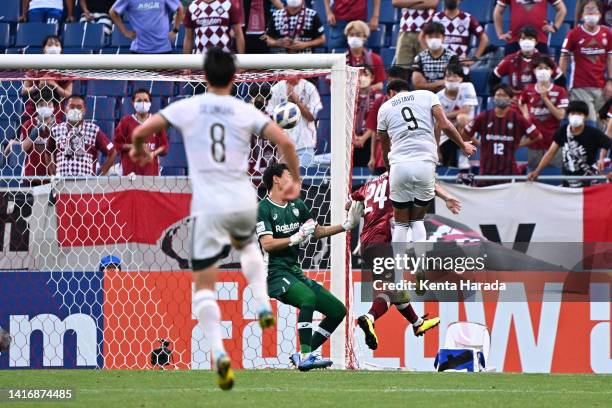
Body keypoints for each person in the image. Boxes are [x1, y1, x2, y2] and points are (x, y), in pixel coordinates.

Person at [129, 48, 301, 391]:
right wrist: (293, 181)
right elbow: (285, 141)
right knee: (249, 244)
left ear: (203, 76)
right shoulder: (243, 109)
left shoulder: (187, 107)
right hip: (240, 195)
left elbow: (142, 131)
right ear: (235, 77)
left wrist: (136, 149)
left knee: (204, 285)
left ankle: (220, 354)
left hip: (207, 204)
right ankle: (262, 301)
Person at [257, 163, 361, 370]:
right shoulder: (263, 209)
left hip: (295, 272)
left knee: (337, 310)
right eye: (288, 176)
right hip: (275, 274)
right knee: (308, 298)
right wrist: (294, 238)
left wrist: (346, 226)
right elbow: (267, 244)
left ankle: (303, 355)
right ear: (276, 179)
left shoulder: (297, 205)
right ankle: (306, 356)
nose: (293, 180)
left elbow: (317, 231)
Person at [377, 79, 475, 280]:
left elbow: (384, 145)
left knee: (402, 222)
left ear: (391, 92)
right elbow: (444, 124)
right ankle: (420, 266)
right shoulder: (428, 96)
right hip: (425, 162)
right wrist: (462, 145)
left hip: (400, 164)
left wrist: (390, 170)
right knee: (417, 219)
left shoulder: (385, 108)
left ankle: (397, 275)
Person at [352, 172, 460, 350]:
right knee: (391, 290)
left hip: (366, 243)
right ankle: (369, 318)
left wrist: (354, 216)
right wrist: (447, 197)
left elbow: (350, 202)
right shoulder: (400, 175)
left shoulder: (369, 184)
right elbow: (427, 182)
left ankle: (417, 323)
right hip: (385, 240)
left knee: (397, 288)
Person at [463, 84, 542, 183]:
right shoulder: (484, 117)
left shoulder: (517, 118)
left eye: (504, 95)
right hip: (486, 172)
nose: (501, 98)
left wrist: (519, 144)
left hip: (509, 172)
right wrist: (478, 143)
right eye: (498, 95)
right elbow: (465, 133)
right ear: (493, 97)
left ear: (511, 98)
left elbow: (537, 136)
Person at [528, 100, 611, 187]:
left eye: (579, 113)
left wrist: (603, 161)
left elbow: (608, 145)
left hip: (588, 183)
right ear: (568, 116)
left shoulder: (593, 133)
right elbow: (550, 153)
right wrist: (537, 171)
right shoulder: (563, 131)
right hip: (568, 183)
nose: (576, 116)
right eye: (573, 113)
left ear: (585, 117)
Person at [560, 0, 612, 123]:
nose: (591, 12)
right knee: (590, 121)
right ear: (582, 15)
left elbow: (610, 58)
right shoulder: (573, 34)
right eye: (588, 9)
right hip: (580, 87)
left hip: (601, 87)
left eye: (594, 9)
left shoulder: (606, 34)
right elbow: (564, 56)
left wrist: (610, 81)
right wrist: (561, 80)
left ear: (600, 14)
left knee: (603, 123)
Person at [46, 95, 117, 177]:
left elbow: (113, 152)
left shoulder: (93, 130)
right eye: (71, 107)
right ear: (65, 109)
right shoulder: (56, 129)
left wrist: (100, 175)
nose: (75, 110)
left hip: (86, 185)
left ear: (84, 110)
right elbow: (47, 151)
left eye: (79, 107)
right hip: (62, 184)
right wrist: (52, 173)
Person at [518, 56, 568, 170]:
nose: (543, 71)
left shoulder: (560, 91)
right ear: (534, 71)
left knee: (554, 176)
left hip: (553, 144)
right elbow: (521, 103)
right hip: (534, 144)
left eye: (546, 68)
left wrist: (545, 98)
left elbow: (560, 115)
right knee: (533, 177)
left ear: (551, 71)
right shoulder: (528, 89)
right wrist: (526, 114)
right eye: (539, 68)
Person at [490, 26, 565, 97]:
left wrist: (555, 97)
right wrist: (506, 94)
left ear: (536, 42)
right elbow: (494, 77)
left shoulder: (545, 59)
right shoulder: (510, 59)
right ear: (519, 41)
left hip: (538, 101)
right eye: (523, 38)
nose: (527, 41)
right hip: (516, 102)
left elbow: (560, 79)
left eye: (530, 38)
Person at [266, 77, 322, 168]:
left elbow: (312, 117)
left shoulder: (309, 88)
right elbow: (272, 118)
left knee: (304, 180)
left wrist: (296, 101)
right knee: (286, 179)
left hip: (305, 145)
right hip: (284, 145)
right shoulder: (276, 89)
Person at [114, 89, 168, 176]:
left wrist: (153, 153)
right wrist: (134, 146)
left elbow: (164, 147)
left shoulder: (157, 122)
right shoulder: (125, 122)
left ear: (150, 103)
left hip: (151, 174)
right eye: (139, 100)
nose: (143, 103)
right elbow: (117, 145)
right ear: (133, 103)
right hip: (128, 174)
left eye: (146, 100)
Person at [422, 0, 489, 71]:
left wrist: (474, 59)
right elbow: (421, 36)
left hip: (460, 66)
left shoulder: (467, 18)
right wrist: (429, 55)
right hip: (440, 65)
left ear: (460, 1)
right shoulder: (436, 17)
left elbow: (484, 39)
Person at [365, 66, 408, 175]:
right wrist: (372, 157)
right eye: (389, 81)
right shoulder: (380, 102)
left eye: (393, 80)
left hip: (405, 151)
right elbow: (375, 131)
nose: (390, 84)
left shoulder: (413, 101)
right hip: (383, 153)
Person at [21, 35, 73, 122]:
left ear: (61, 49)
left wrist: (53, 84)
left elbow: (68, 94)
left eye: (56, 45)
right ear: (44, 49)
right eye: (50, 45)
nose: (53, 47)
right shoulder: (34, 67)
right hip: (33, 111)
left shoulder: (65, 70)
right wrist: (37, 87)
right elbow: (24, 90)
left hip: (55, 111)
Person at [436, 63, 478, 168]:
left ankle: (464, 155)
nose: (451, 79)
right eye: (448, 76)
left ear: (461, 79)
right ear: (444, 78)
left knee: (462, 118)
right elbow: (437, 123)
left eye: (455, 76)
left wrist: (444, 115)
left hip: (469, 129)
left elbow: (466, 110)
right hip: (446, 132)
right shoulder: (438, 97)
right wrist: (436, 150)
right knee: (437, 125)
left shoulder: (468, 86)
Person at [493, 0, 567, 55]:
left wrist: (554, 27)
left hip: (539, 40)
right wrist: (500, 33)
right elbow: (497, 12)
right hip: (515, 39)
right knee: (512, 73)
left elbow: (562, 9)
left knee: (539, 71)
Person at [109, 0, 184, 54]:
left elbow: (180, 8)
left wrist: (175, 31)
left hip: (163, 49)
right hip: (139, 50)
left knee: (163, 76)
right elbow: (112, 12)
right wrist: (125, 32)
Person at [20, 89, 58, 183]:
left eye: (49, 104)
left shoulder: (59, 126)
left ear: (53, 107)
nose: (45, 108)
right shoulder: (28, 124)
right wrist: (35, 132)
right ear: (36, 107)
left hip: (51, 176)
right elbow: (23, 149)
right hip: (31, 176)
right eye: (41, 105)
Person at [411, 22, 458, 92]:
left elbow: (451, 83)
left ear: (443, 38)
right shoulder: (419, 58)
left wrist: (427, 85)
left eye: (437, 36)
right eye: (430, 36)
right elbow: (417, 84)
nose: (434, 39)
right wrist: (440, 83)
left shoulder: (452, 56)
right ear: (425, 38)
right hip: (425, 97)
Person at [353, 65, 385, 169]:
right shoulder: (347, 96)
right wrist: (354, 137)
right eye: (359, 75)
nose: (362, 78)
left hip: (370, 140)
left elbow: (377, 121)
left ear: (372, 78)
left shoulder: (379, 97)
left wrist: (363, 138)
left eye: (366, 75)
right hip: (351, 139)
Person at [393, 0, 439, 69]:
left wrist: (407, 4)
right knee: (401, 70)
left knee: (425, 71)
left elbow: (432, 3)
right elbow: (396, 2)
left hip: (426, 33)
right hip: (405, 31)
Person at [344, 20, 386, 92]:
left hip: (370, 98)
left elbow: (380, 85)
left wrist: (365, 90)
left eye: (358, 35)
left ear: (365, 37)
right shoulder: (340, 60)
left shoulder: (375, 59)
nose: (354, 38)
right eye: (351, 35)